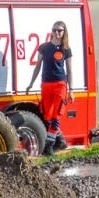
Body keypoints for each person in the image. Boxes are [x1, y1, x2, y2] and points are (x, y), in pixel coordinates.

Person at [26, 21, 73, 152]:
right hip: (46, 84)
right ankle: (60, 141)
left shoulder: (66, 49)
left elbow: (69, 70)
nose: (57, 33)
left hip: (60, 84)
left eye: (60, 30)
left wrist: (71, 90)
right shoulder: (44, 47)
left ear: (64, 32)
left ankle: (49, 146)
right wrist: (30, 83)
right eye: (54, 30)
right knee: (47, 115)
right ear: (51, 31)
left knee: (56, 116)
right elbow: (37, 67)